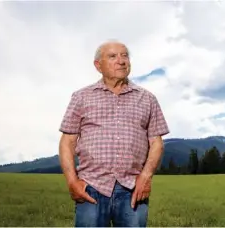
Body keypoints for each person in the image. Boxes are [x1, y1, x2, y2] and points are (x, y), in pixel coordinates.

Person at [58, 40, 170, 227]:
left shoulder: (147, 98)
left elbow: (156, 142)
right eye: (112, 56)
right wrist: (72, 181)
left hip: (133, 188)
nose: (121, 61)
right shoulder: (81, 96)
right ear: (98, 65)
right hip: (91, 187)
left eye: (125, 55)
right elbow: (67, 141)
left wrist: (146, 177)